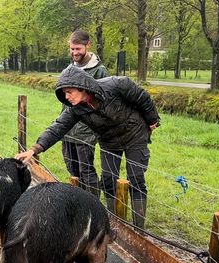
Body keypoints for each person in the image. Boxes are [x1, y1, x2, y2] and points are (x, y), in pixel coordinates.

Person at [15, 65, 160, 229]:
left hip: (135, 135)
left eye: (69, 92)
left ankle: (138, 228)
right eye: (64, 94)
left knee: (136, 178)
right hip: (109, 141)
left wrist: (152, 119)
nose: (67, 96)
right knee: (108, 179)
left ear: (81, 86)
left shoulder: (117, 85)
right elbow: (58, 127)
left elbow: (142, 97)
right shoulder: (75, 109)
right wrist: (34, 149)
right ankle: (114, 222)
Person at [62, 29, 109, 198]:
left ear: (87, 45)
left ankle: (93, 205)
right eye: (72, 49)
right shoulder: (69, 69)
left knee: (86, 170)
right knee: (72, 168)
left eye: (78, 49)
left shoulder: (99, 71)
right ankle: (79, 202)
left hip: (86, 130)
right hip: (68, 129)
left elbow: (103, 101)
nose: (74, 53)